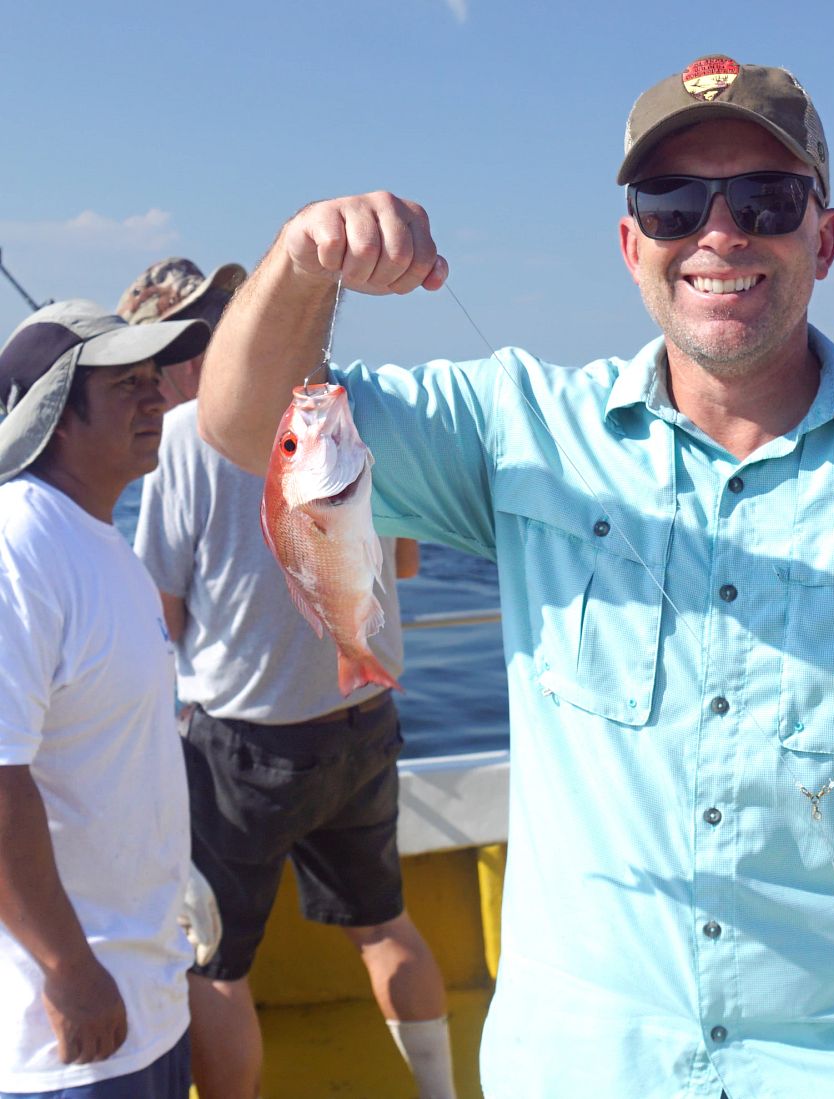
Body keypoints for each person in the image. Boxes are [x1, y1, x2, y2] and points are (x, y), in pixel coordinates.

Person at [196, 55, 834, 1099]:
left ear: (822, 237)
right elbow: (248, 427)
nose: (718, 233)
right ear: (630, 244)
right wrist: (301, 262)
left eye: (765, 199)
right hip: (579, 1064)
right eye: (670, 203)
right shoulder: (516, 427)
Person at [121, 258, 457, 1099]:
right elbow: (405, 561)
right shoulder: (347, 413)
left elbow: (160, 615)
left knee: (216, 965)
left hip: (242, 746)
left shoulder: (182, 437)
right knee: (384, 928)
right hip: (364, 715)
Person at [0, 300, 210, 1098]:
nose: (157, 398)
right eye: (127, 384)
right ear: (54, 413)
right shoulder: (19, 543)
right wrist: (68, 968)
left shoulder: (101, 538)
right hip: (64, 1036)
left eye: (155, 378)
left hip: (147, 999)